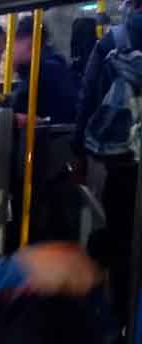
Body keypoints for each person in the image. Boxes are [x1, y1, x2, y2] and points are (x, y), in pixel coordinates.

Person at [74, 0, 142, 326]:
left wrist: (78, 153)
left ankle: (118, 323)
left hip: (122, 164)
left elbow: (88, 99)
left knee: (120, 243)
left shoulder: (113, 41)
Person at [11, 16, 79, 125]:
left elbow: (64, 117)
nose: (11, 50)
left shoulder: (45, 70)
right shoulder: (39, 68)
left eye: (13, 43)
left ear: (28, 42)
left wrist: (40, 121)